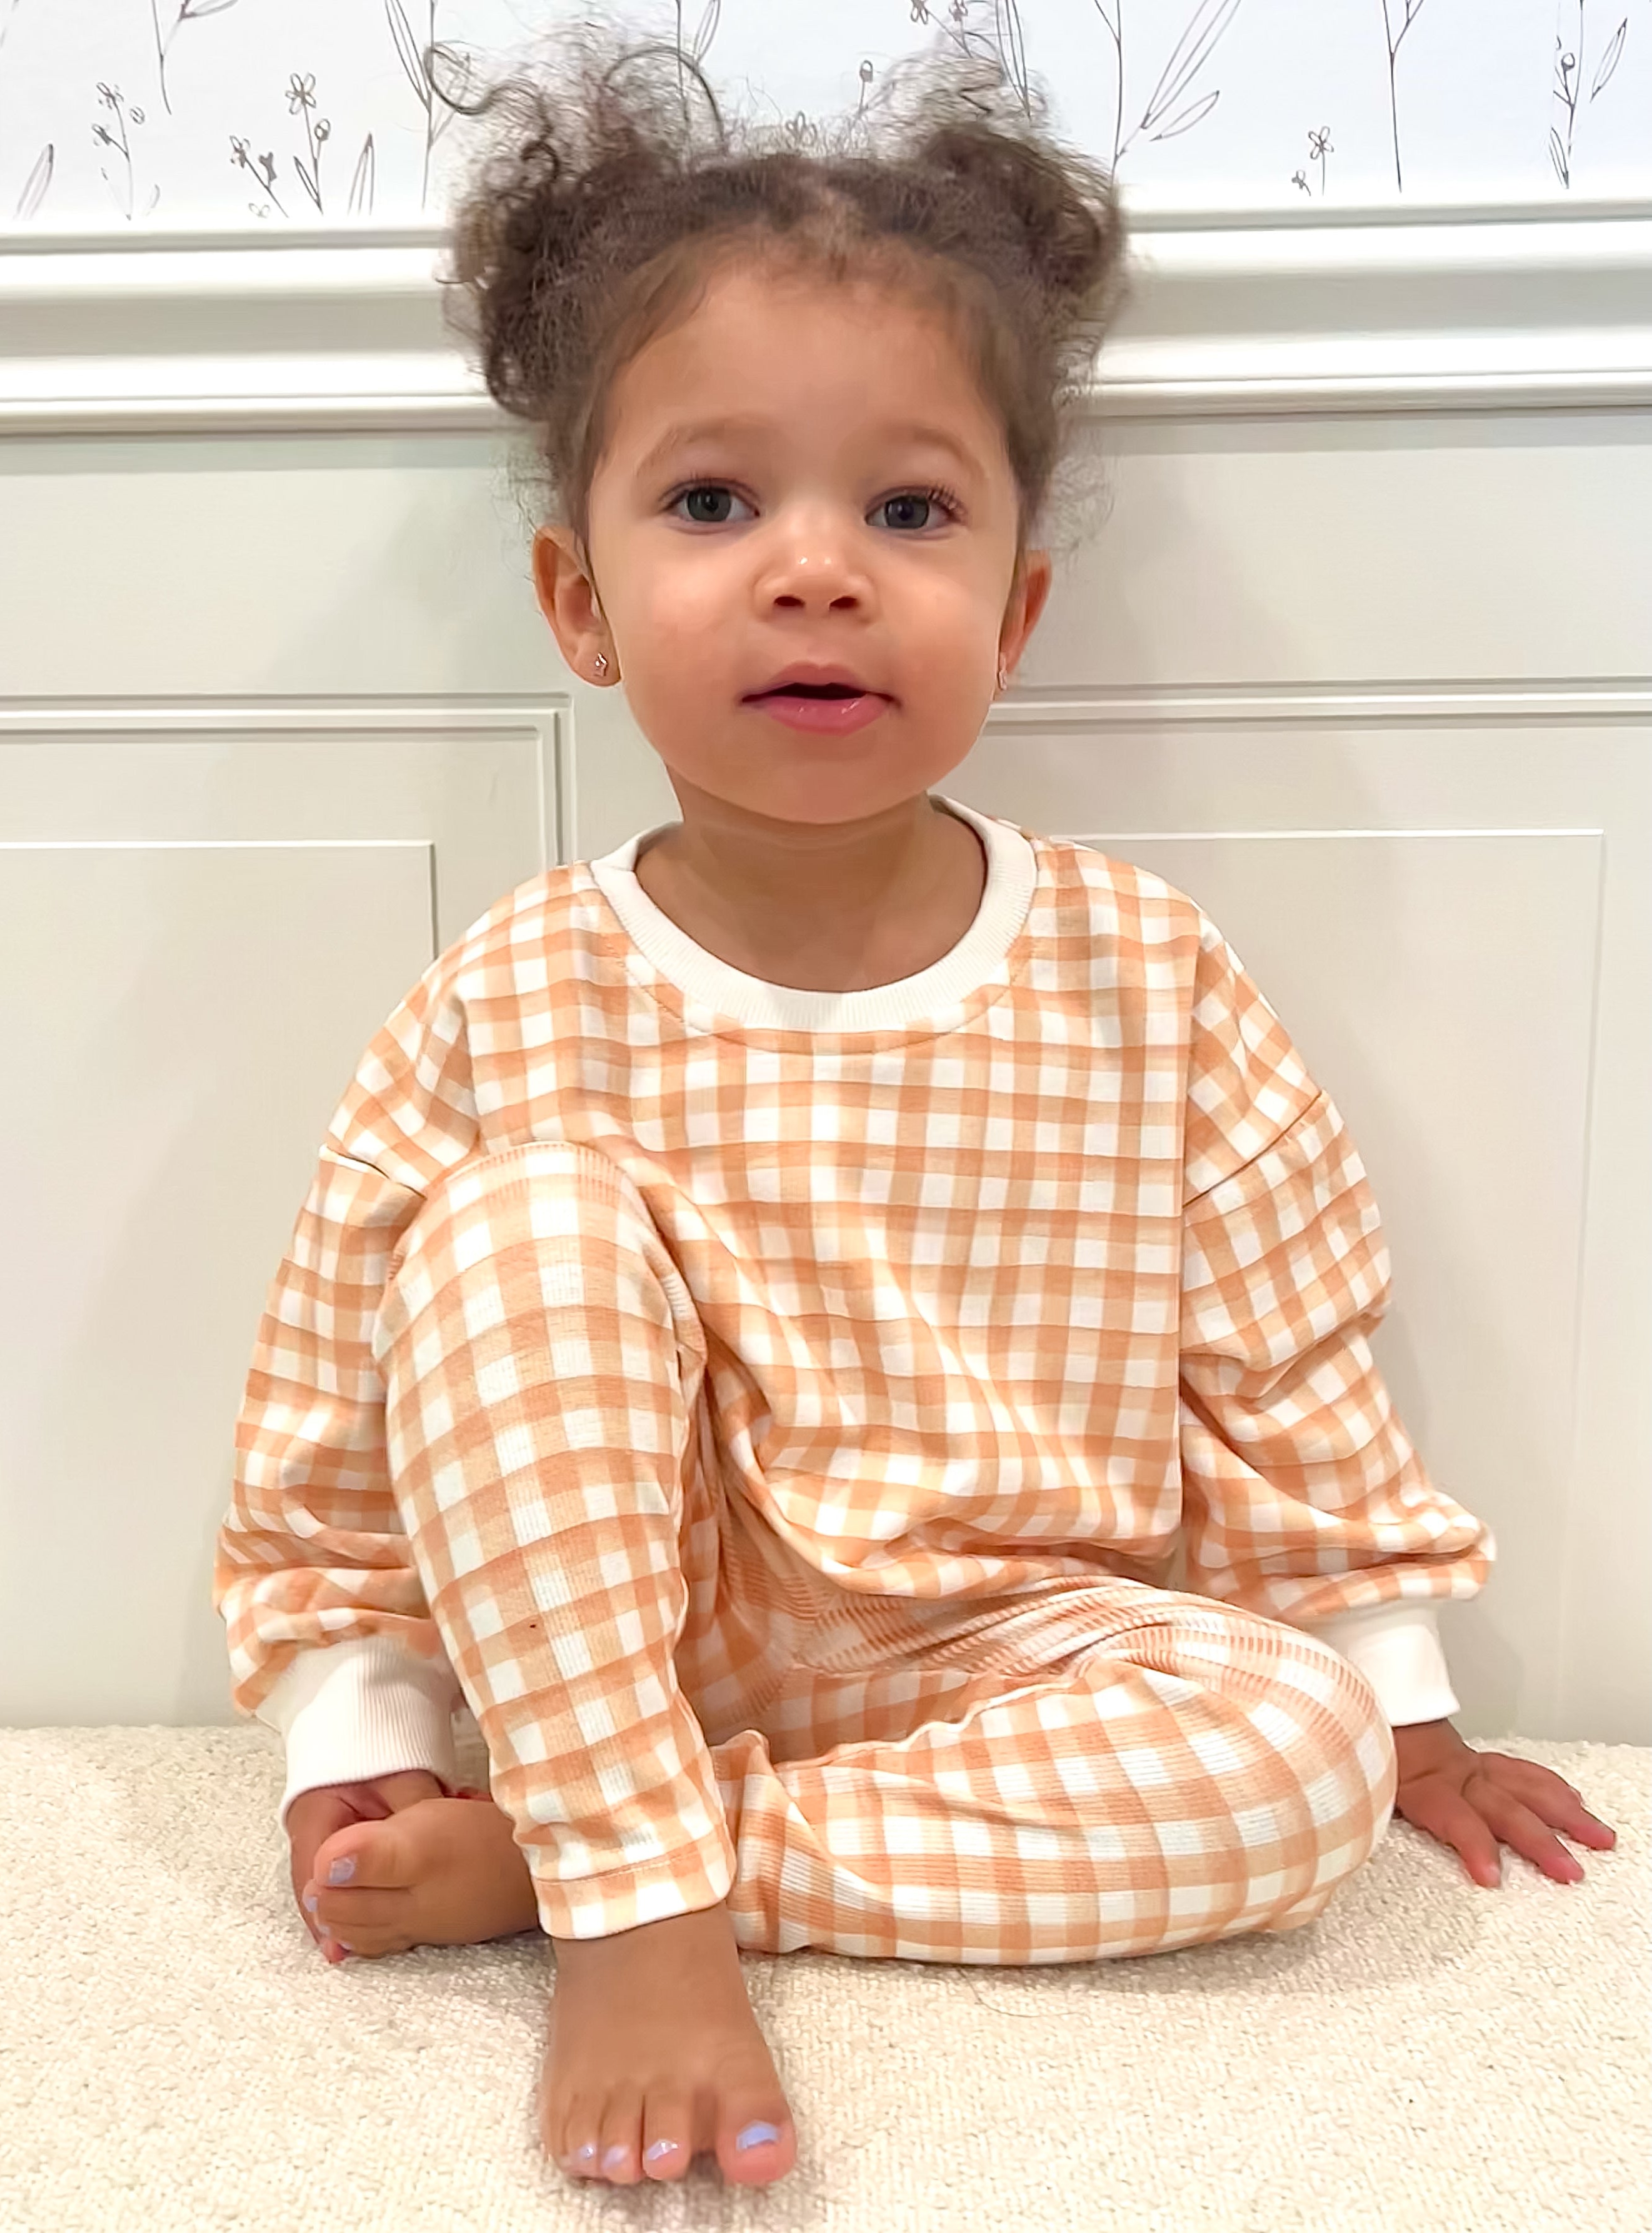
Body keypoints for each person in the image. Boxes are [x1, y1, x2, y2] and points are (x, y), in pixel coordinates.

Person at [211, 23, 1616, 2197]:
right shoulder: (512, 995)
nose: (815, 567)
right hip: (620, 1644)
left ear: (1015, 607)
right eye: (711, 500)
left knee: (1301, 1770)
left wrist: (1396, 1689)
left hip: (1017, 1660)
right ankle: (638, 1913)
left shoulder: (1147, 977)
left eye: (908, 508)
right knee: (518, 1231)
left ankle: (683, 1855)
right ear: (580, 602)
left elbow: (1285, 1372)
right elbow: (330, 1443)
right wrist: (360, 1729)